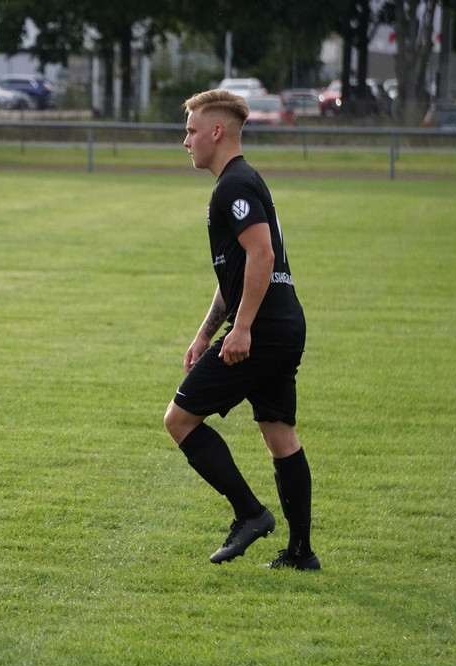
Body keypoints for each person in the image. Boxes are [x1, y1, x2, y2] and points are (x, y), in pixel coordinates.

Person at [163, 90, 320, 571]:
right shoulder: (242, 181)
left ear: (216, 132)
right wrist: (207, 331)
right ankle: (300, 554)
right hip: (284, 322)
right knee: (279, 433)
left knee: (180, 419)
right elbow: (237, 270)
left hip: (264, 327)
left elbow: (262, 256)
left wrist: (243, 328)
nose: (185, 141)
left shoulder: (233, 185)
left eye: (191, 131)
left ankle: (251, 514)